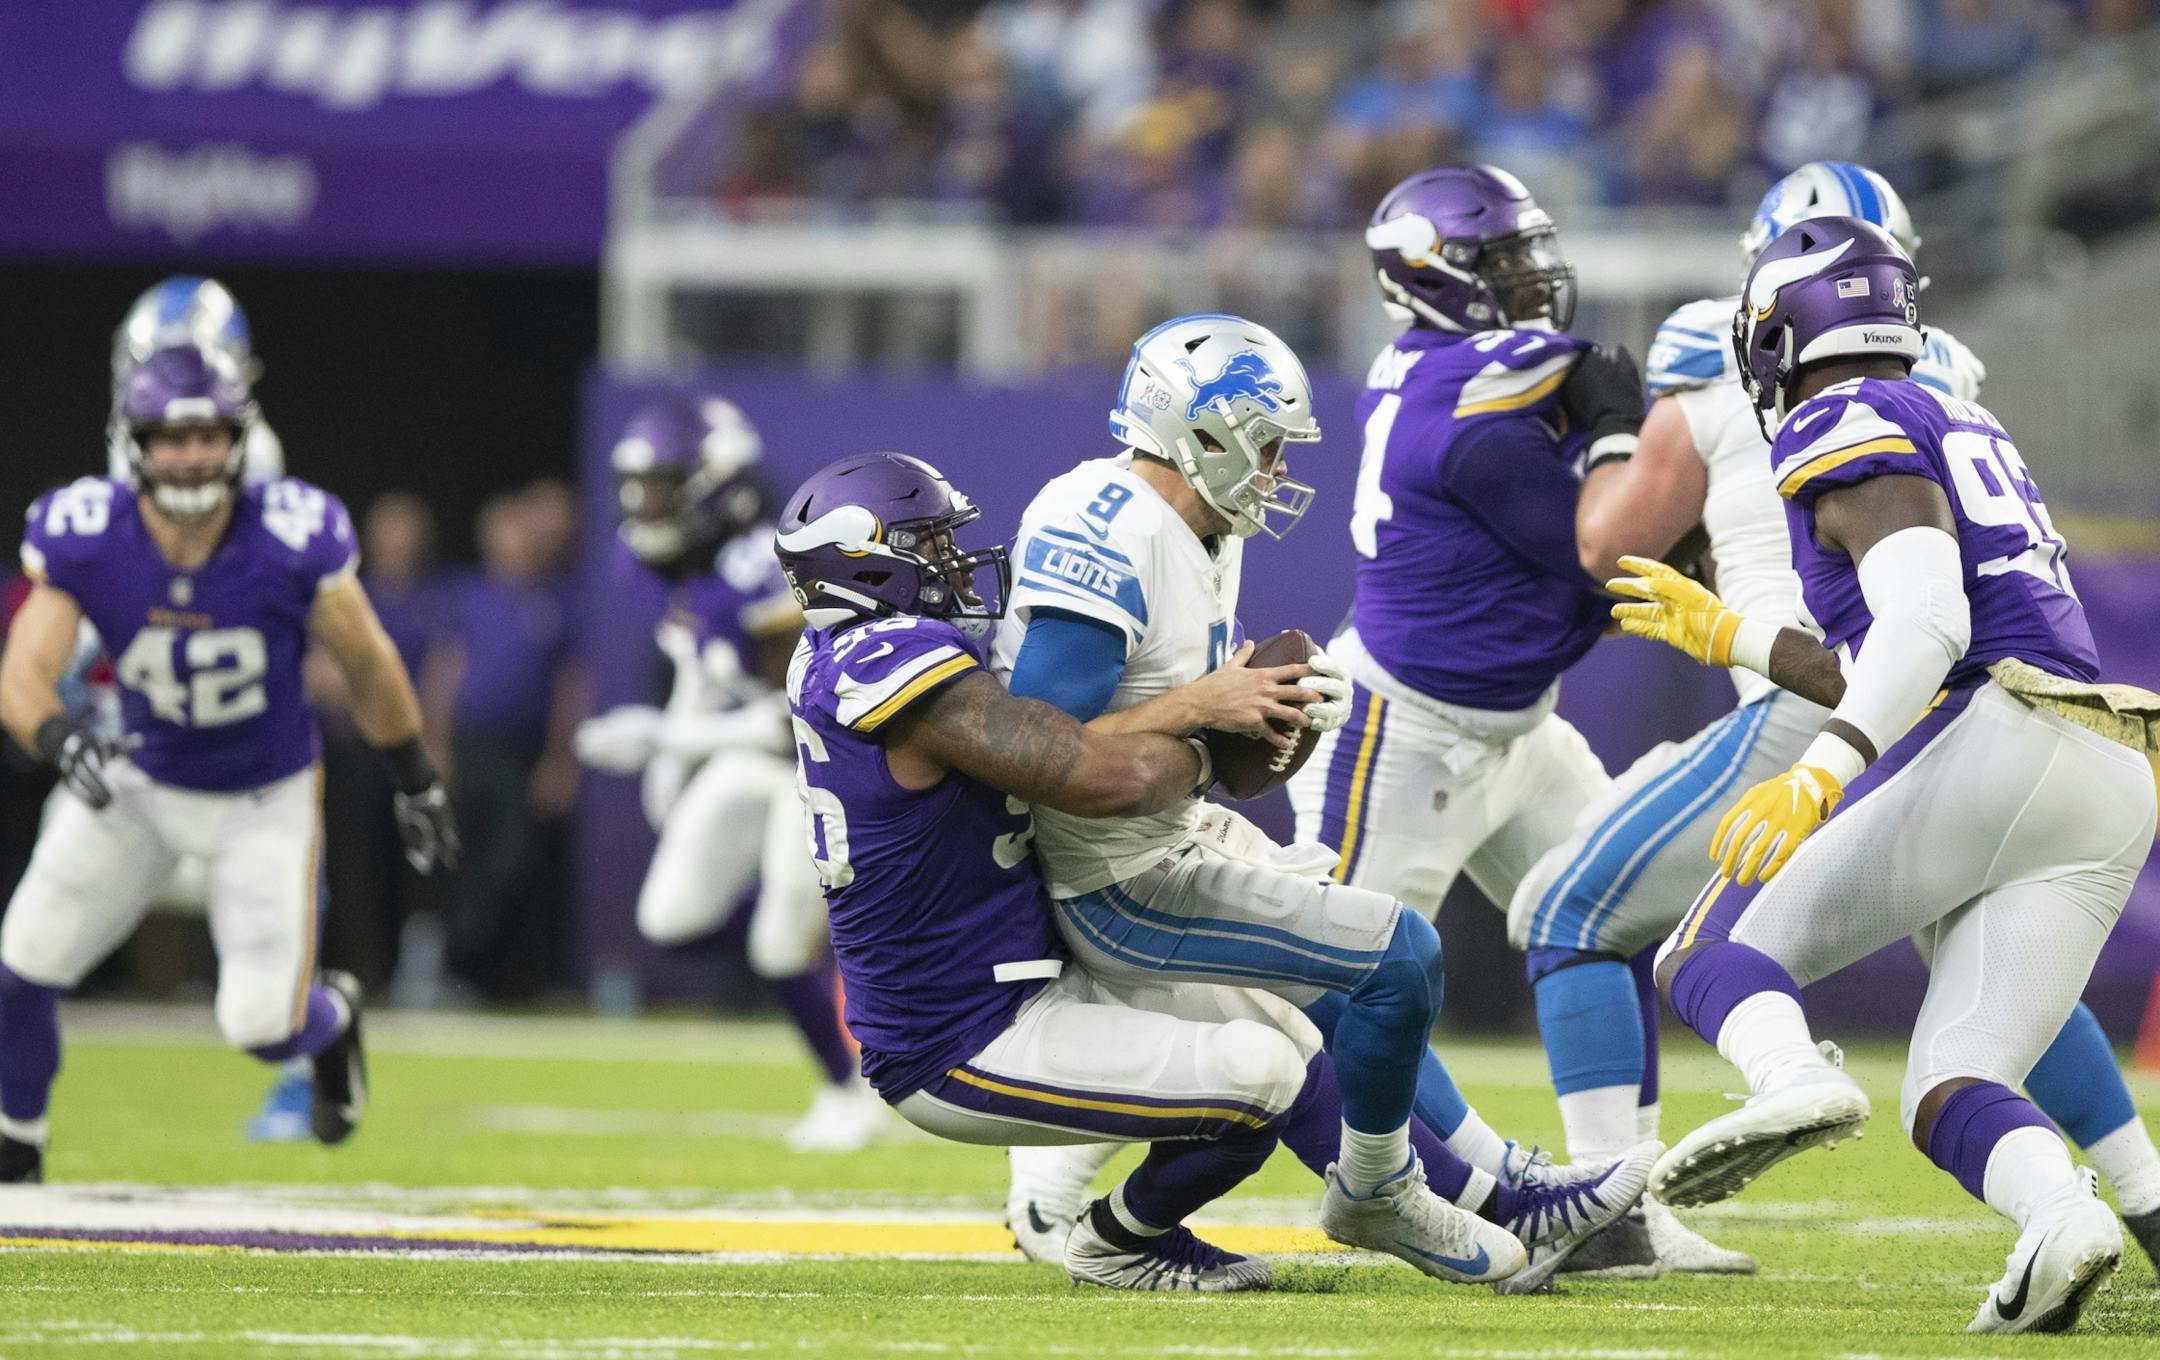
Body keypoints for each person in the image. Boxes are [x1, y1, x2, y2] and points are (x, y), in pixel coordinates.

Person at [1524, 159, 2160, 1276]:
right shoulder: (1954, 409)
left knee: (1706, 951)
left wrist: (1820, 773)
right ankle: (2071, 1219)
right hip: (2103, 766)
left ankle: (1793, 1078)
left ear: (1777, 329)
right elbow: (1901, 647)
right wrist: (1735, 638)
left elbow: (1925, 629)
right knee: (1955, 1077)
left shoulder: (1841, 411)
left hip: (1984, 738)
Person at [988, 313, 1655, 1291]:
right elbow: (1029, 748)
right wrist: (1208, 702)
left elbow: (1180, 721)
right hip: (1107, 874)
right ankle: (1397, 1195)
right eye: (1260, 448)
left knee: (1365, 980)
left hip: (1170, 834)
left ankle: (1492, 1186)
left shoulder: (1199, 526)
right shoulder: (1109, 524)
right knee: (1374, 969)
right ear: (1196, 433)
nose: (1272, 474)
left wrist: (1268, 716)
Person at [1281, 165, 1699, 1278]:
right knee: (1327, 987)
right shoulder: (1463, 413)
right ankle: (1063, 1185)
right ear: (1434, 278)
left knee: (1602, 913)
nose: (1530, 280)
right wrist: (1626, 437)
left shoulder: (1456, 373)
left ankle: (1618, 1208)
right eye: (1503, 262)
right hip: (1401, 731)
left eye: (1528, 255)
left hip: (1516, 729)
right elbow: (1602, 557)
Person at [0, 345, 459, 1183]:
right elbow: (24, 667)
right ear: (133, 443)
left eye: (206, 434)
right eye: (168, 438)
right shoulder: (87, 530)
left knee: (258, 1023)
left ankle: (332, 1022)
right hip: (138, 777)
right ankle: (16, 1148)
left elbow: (369, 664)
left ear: (239, 440)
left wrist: (414, 778)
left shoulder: (291, 534)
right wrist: (59, 734)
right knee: (24, 959)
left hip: (262, 795)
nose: (189, 455)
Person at [575, 397, 884, 1152]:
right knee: (671, 918)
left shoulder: (765, 569)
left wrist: (669, 739)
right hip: (746, 751)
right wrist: (677, 746)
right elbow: (697, 662)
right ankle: (830, 949)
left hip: (815, 763)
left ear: (712, 484)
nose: (644, 503)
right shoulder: (666, 562)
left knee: (778, 948)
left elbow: (797, 712)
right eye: (639, 484)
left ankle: (846, 1084)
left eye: (662, 483)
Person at [426, 492, 584, 1001]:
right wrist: (433, 745)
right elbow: (443, 671)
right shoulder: (468, 595)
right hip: (473, 748)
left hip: (526, 753)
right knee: (465, 857)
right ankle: (456, 969)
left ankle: (504, 976)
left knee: (516, 859)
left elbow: (570, 687)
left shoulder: (556, 601)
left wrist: (560, 758)